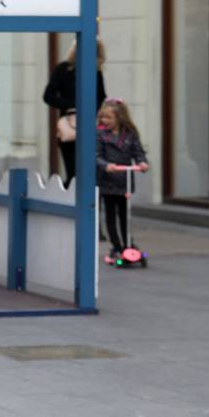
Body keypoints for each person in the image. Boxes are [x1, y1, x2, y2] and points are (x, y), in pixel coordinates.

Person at [44, 39, 108, 186]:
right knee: (73, 172)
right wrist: (71, 105)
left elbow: (101, 97)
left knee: (88, 170)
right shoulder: (63, 69)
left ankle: (84, 204)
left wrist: (93, 108)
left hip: (88, 125)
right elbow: (48, 96)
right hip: (68, 125)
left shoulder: (96, 73)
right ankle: (69, 203)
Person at [96, 98, 148, 261]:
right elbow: (96, 155)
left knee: (125, 213)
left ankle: (128, 243)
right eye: (103, 117)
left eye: (109, 118)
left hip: (124, 180)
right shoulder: (100, 134)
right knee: (110, 213)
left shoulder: (130, 134)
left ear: (119, 118)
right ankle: (116, 245)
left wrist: (142, 162)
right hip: (108, 179)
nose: (105, 121)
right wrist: (106, 165)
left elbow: (138, 151)